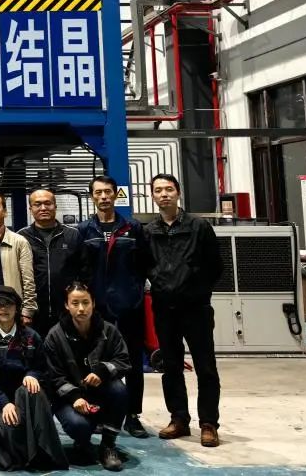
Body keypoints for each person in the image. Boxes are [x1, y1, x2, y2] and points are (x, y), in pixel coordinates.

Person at [145, 173, 223, 447]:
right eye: (158, 190)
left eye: (168, 189)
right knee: (171, 367)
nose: (164, 194)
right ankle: (179, 419)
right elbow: (144, 264)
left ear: (178, 193)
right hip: (165, 309)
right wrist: (159, 284)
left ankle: (209, 423)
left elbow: (215, 266)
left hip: (196, 308)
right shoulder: (149, 231)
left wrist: (196, 290)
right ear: (152, 196)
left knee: (205, 367)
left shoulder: (199, 227)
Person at [77, 175, 151, 438]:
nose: (104, 197)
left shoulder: (132, 228)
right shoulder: (84, 230)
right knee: (95, 360)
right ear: (92, 196)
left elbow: (145, 264)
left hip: (130, 305)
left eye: (108, 192)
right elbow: (81, 269)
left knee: (132, 361)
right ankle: (100, 412)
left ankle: (133, 415)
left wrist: (135, 293)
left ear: (115, 194)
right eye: (98, 193)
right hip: (97, 308)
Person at [0, 285, 66, 471]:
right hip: (0, 402)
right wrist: (4, 403)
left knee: (31, 390)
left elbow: (42, 368)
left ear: (17, 307)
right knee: (9, 456)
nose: (3, 309)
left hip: (28, 399)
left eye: (8, 304)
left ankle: (46, 453)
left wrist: (32, 375)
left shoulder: (32, 336)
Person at [43, 282, 131, 471]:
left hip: (100, 392)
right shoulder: (54, 336)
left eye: (85, 302)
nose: (81, 308)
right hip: (67, 399)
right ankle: (82, 441)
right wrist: (74, 397)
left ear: (93, 303)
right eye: (75, 303)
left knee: (119, 389)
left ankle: (108, 446)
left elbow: (123, 360)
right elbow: (53, 376)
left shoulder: (109, 331)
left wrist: (102, 371)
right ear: (67, 305)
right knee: (79, 426)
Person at [18, 188, 82, 335]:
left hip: (66, 310)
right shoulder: (22, 237)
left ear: (55, 206)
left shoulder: (72, 235)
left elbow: (84, 271)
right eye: (37, 204)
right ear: (30, 209)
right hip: (34, 312)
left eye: (48, 203)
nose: (43, 208)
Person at [0, 191, 37, 326]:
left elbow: (28, 280)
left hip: (12, 309)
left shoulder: (19, 241)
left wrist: (27, 311)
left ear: (5, 212)